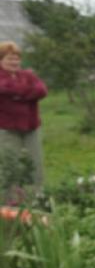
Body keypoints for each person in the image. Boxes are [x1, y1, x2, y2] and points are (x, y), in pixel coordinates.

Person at [0, 41, 48, 192]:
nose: (14, 62)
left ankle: (37, 197)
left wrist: (18, 95)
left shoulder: (27, 75)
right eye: (10, 58)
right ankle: (11, 200)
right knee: (10, 164)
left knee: (36, 163)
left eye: (17, 58)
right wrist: (29, 93)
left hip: (31, 126)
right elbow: (5, 88)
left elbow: (42, 90)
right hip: (7, 128)